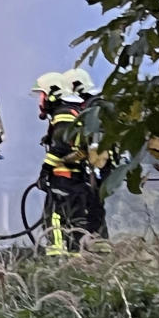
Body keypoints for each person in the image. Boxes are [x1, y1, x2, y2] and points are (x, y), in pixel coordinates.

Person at [33, 72, 86, 257]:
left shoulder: (63, 114)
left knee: (55, 216)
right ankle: (75, 256)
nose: (41, 100)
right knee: (76, 219)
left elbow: (61, 147)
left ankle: (56, 254)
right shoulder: (73, 110)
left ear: (53, 93)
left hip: (64, 176)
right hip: (77, 176)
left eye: (42, 95)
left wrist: (45, 171)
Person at [62, 67, 110, 243]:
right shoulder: (92, 105)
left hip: (98, 165)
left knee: (93, 206)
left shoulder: (93, 108)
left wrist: (69, 159)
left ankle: (93, 244)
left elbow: (92, 145)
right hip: (98, 164)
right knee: (94, 206)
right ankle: (100, 244)